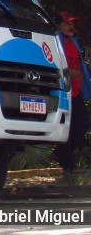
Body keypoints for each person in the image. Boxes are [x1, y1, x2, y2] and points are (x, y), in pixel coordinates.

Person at [53, 11, 91, 173]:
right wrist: (69, 72)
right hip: (63, 91)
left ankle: (61, 152)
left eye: (72, 23)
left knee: (82, 124)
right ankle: (67, 162)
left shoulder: (75, 42)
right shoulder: (56, 42)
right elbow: (54, 63)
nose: (71, 26)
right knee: (67, 126)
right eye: (67, 23)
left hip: (76, 90)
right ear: (59, 26)